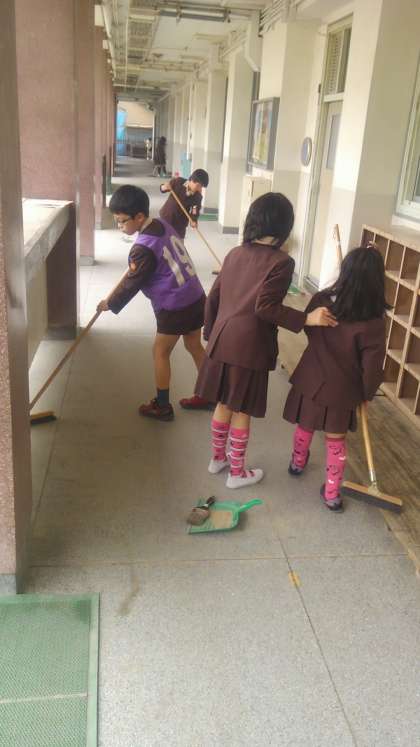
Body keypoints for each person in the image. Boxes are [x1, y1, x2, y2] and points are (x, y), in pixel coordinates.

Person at [195, 192, 337, 489]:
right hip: (248, 346)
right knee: (242, 408)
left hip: (221, 339)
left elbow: (213, 297)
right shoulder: (282, 262)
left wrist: (210, 333)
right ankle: (236, 473)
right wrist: (306, 318)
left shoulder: (235, 253)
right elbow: (265, 308)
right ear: (285, 226)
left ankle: (217, 459)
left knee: (224, 402)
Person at [284, 246, 389, 512]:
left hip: (311, 379)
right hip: (342, 390)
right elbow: (372, 366)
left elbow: (308, 327)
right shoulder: (374, 322)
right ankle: (332, 493)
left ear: (345, 272)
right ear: (377, 282)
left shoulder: (321, 300)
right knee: (336, 441)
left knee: (305, 426)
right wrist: (367, 393)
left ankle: (297, 463)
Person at [96, 185, 213, 421]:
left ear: (139, 217)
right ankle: (210, 394)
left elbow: (132, 284)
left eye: (122, 221)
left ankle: (162, 405)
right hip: (196, 297)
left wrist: (110, 303)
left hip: (175, 306)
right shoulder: (162, 224)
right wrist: (135, 266)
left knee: (160, 351)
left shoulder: (142, 249)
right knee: (193, 345)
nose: (119, 226)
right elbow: (138, 271)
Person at [159, 169, 209, 239]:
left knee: (178, 244)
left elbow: (194, 210)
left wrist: (193, 220)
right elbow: (162, 189)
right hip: (166, 217)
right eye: (198, 186)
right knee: (162, 240)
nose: (199, 189)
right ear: (192, 180)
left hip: (180, 224)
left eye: (201, 187)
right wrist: (164, 187)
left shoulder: (197, 197)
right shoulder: (178, 181)